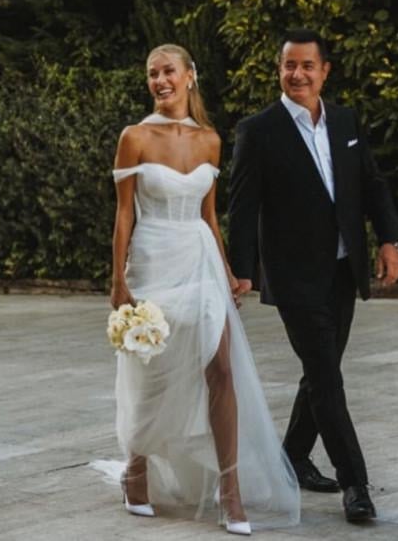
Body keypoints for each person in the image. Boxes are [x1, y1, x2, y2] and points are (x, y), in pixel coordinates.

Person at [105, 44, 299, 535]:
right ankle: (136, 469)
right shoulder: (134, 137)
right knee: (152, 369)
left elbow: (209, 215)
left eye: (168, 71)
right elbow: (124, 213)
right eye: (152, 73)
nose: (160, 80)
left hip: (200, 258)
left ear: (190, 76)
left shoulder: (210, 139)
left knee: (221, 368)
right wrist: (118, 279)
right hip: (153, 257)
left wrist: (229, 271)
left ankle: (230, 490)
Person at [227, 29, 398, 523]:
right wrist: (241, 270)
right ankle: (356, 484)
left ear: (324, 71)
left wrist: (390, 239)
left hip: (343, 269)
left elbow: (371, 183)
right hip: (294, 276)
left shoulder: (345, 120)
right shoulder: (258, 131)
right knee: (327, 377)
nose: (297, 74)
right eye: (289, 65)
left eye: (307, 65)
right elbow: (243, 207)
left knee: (321, 370)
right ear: (279, 70)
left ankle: (293, 458)